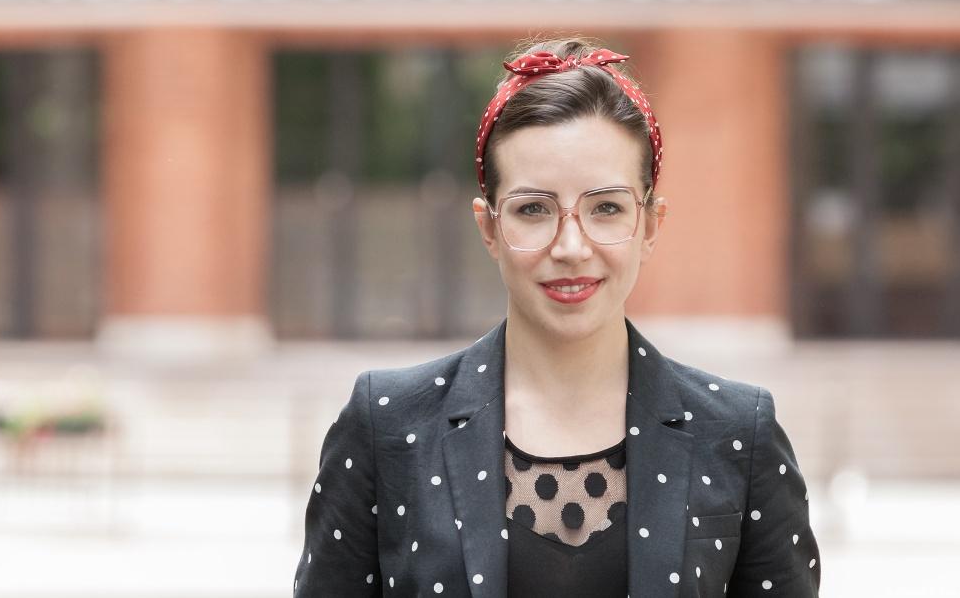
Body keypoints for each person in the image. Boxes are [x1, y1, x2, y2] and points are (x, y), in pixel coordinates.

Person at [292, 37, 821, 597]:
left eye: (607, 208)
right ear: (490, 227)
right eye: (534, 210)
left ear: (651, 225)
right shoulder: (386, 425)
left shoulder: (740, 434)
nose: (571, 246)